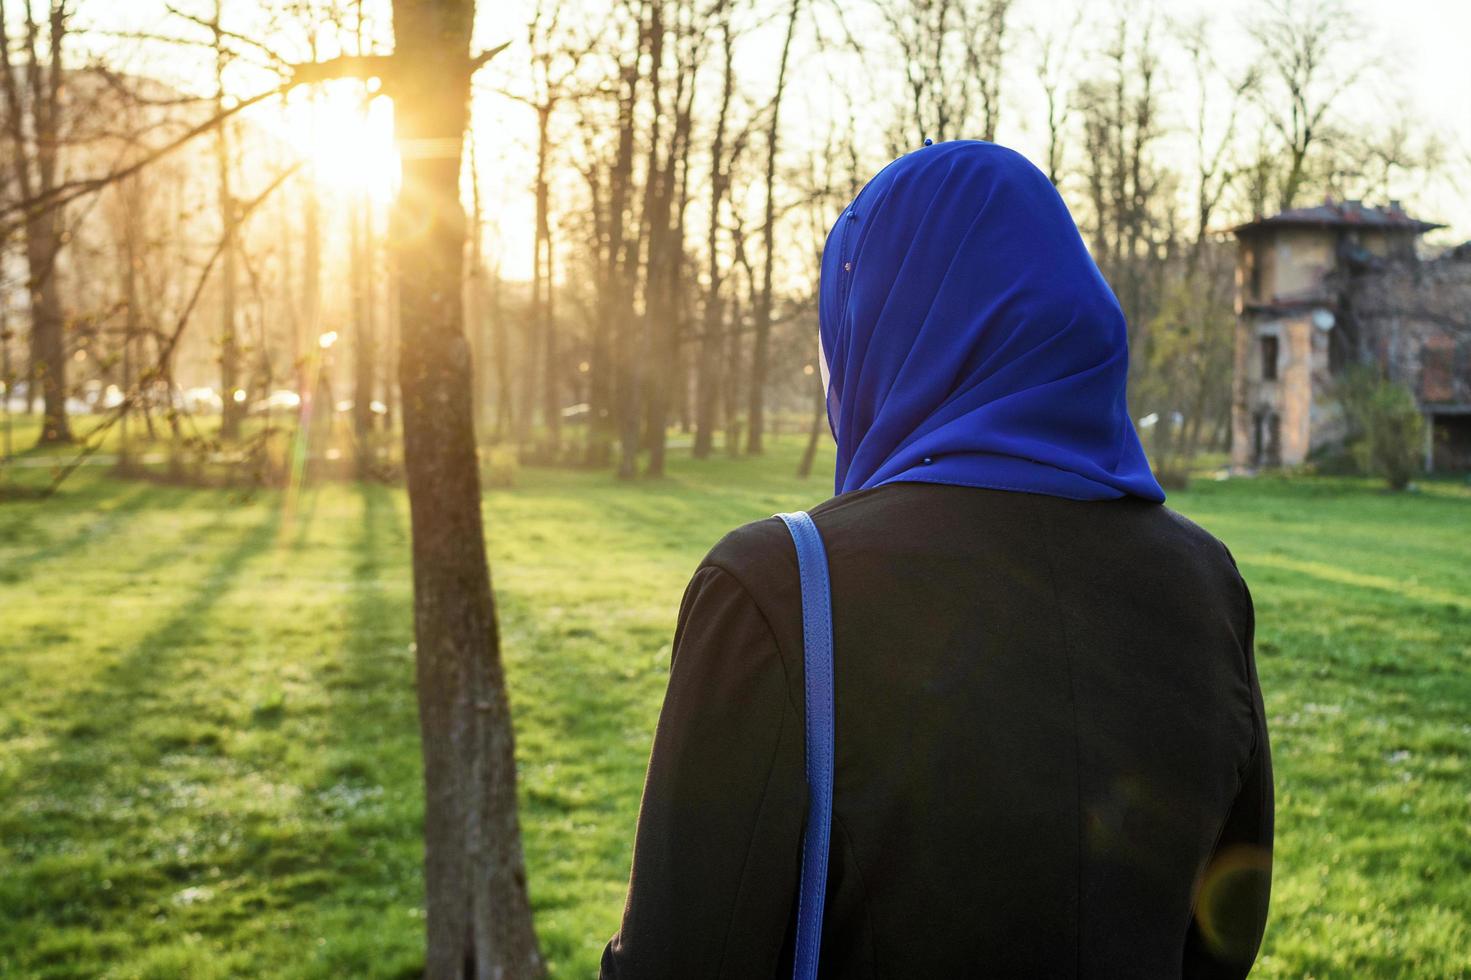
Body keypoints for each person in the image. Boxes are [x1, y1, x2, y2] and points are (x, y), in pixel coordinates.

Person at [600, 140, 1272, 979]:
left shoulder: (779, 589)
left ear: (880, 329)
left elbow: (677, 960)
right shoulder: (1205, 584)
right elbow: (1224, 932)